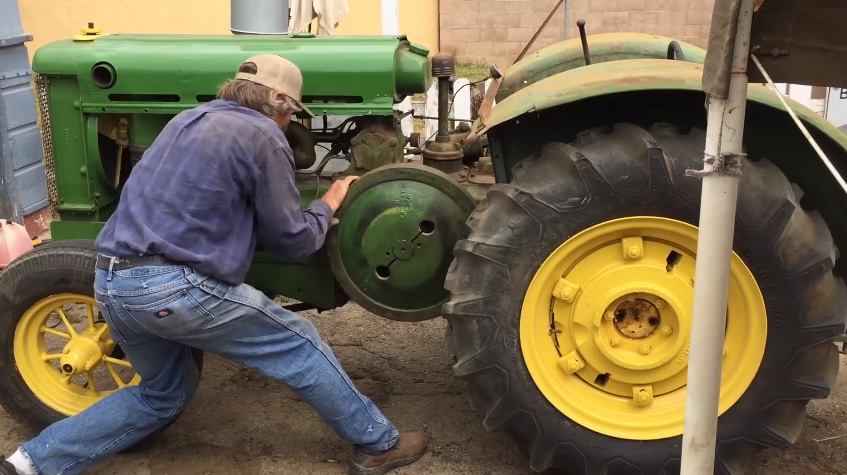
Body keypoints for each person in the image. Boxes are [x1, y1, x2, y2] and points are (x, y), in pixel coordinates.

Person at [1, 53, 428, 475]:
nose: (289, 125)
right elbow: (292, 240)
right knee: (298, 343)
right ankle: (377, 442)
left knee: (161, 396)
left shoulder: (184, 120)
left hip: (112, 279)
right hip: (172, 289)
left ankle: (27, 464)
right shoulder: (263, 135)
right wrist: (328, 204)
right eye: (292, 115)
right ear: (279, 100)